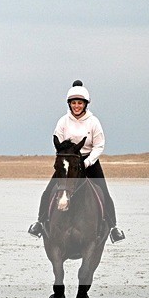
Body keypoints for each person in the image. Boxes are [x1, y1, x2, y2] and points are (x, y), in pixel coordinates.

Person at [28, 81, 125, 243]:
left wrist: (88, 162)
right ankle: (39, 222)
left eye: (80, 103)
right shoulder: (63, 121)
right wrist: (64, 160)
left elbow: (99, 145)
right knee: (48, 191)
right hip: (69, 162)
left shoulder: (93, 122)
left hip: (89, 161)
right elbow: (58, 144)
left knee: (104, 192)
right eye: (74, 103)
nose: (77, 106)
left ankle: (114, 228)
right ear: (70, 104)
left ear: (85, 104)